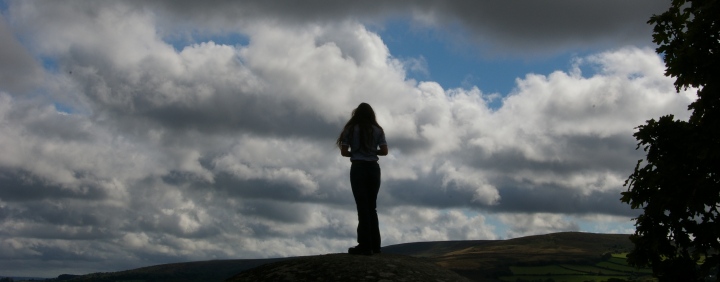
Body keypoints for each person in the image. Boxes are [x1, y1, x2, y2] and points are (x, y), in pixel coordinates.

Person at [336, 103, 388, 256]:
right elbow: (384, 151)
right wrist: (371, 151)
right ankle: (376, 245)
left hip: (358, 167)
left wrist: (357, 152)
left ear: (356, 114)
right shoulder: (378, 130)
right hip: (373, 168)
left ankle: (365, 245)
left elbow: (344, 152)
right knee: (372, 207)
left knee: (362, 206)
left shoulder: (350, 130)